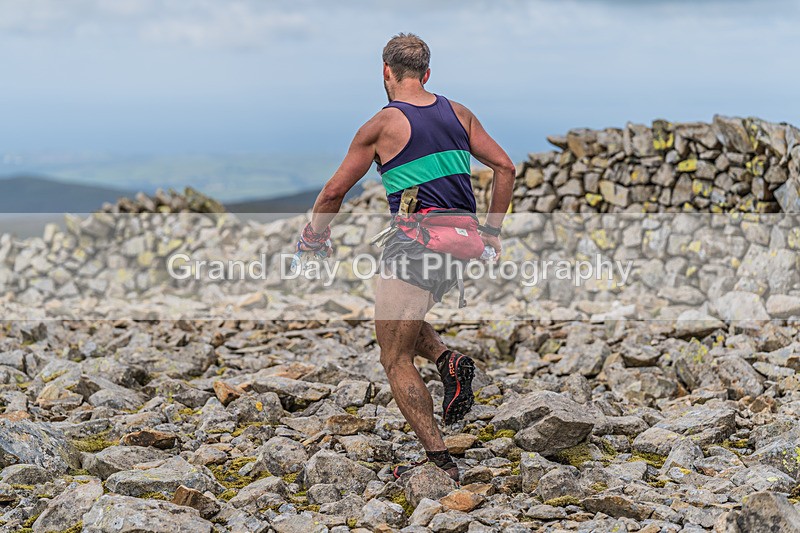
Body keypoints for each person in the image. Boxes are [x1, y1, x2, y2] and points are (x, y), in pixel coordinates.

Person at [295, 33, 515, 482]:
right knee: (403, 320)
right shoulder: (459, 113)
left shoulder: (380, 125)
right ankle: (448, 361)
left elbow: (335, 191)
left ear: (385, 72)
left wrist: (312, 238)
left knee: (393, 357)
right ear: (427, 73)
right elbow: (506, 167)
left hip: (417, 244)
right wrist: (491, 230)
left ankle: (440, 462)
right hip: (462, 245)